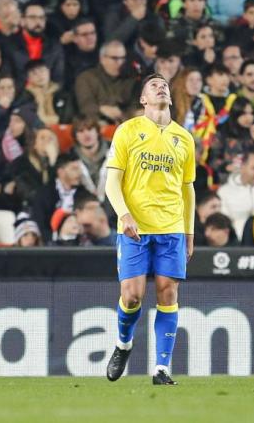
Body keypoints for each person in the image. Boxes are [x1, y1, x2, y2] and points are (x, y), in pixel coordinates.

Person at [105, 73, 196, 386]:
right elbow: (112, 181)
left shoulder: (184, 138)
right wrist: (125, 214)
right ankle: (123, 344)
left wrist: (189, 231)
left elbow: (188, 189)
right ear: (143, 99)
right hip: (135, 228)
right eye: (154, 84)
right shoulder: (128, 131)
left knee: (168, 292)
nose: (162, 86)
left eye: (165, 84)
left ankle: (161, 368)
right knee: (132, 296)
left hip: (171, 227)